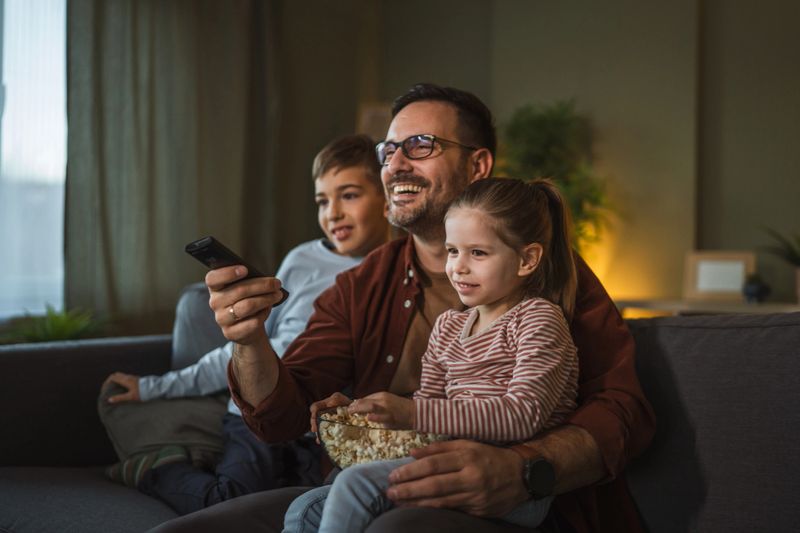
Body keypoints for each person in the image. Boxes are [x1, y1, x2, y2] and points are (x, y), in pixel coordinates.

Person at [152, 83, 655, 533]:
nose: (394, 164)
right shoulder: (361, 285)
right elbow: (280, 417)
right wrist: (249, 341)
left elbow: (623, 410)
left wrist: (524, 470)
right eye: (388, 150)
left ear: (478, 165)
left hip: (514, 502)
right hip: (381, 483)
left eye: (420, 146)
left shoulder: (550, 277)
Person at [99, 133, 390, 514]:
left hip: (319, 427)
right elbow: (249, 343)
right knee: (234, 501)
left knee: (296, 503)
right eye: (322, 200)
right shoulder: (303, 260)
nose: (332, 213)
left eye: (349, 196)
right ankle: (157, 468)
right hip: (257, 410)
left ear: (387, 196)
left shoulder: (396, 271)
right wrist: (155, 387)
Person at [284, 177, 581, 533]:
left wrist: (411, 411)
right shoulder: (449, 327)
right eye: (453, 250)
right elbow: (428, 411)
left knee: (353, 487)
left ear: (527, 259)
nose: (459, 266)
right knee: (305, 510)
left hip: (512, 487)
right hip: (449, 459)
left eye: (479, 252)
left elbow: (522, 416)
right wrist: (365, 413)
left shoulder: (538, 319)